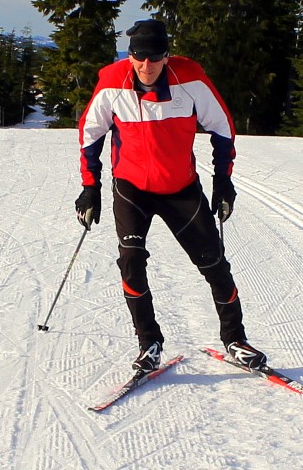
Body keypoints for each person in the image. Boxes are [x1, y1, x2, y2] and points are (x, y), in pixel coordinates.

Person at [75, 19, 267, 373]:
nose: (146, 65)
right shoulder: (113, 83)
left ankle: (235, 339)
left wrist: (223, 181)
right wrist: (91, 186)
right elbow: (90, 133)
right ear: (130, 54)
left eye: (155, 57)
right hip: (132, 188)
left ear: (167, 55)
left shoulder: (190, 79)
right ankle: (149, 343)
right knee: (131, 261)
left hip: (180, 188)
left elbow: (222, 127)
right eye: (139, 56)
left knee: (213, 263)